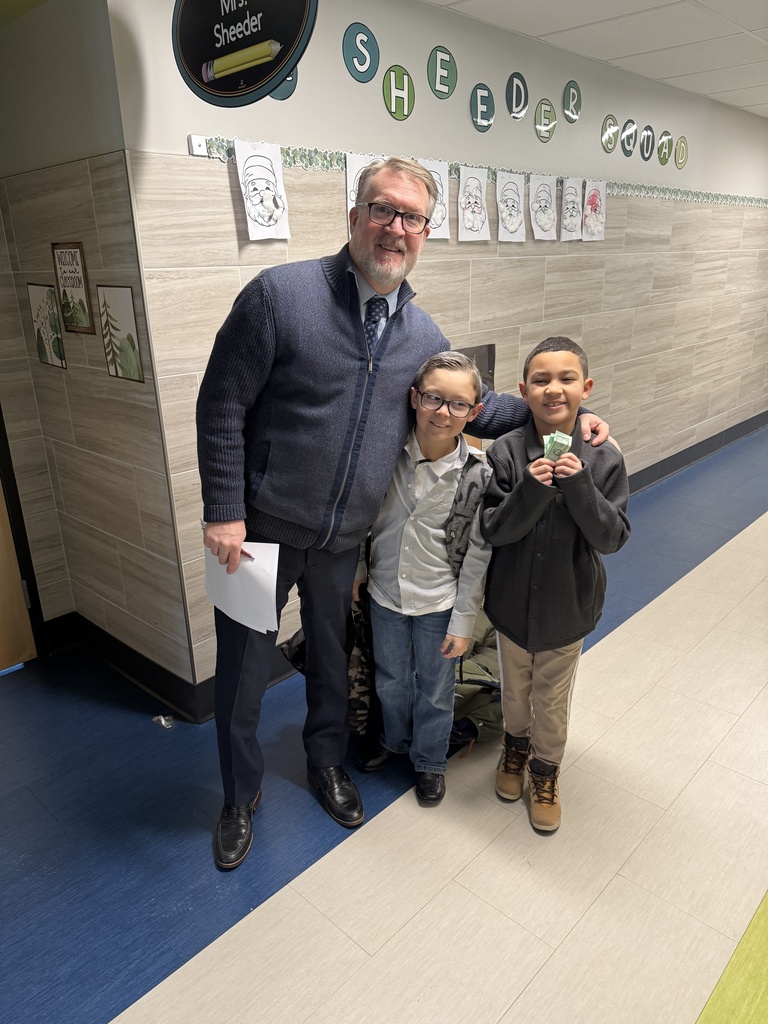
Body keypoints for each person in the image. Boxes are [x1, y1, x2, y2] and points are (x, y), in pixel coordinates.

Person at [196, 156, 611, 871]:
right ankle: (239, 797)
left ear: (424, 232)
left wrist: (566, 413)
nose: (396, 228)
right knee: (241, 670)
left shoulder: (420, 335)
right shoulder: (279, 297)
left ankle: (327, 765)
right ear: (355, 217)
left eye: (412, 217)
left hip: (341, 542)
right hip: (258, 530)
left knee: (331, 660)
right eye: (383, 210)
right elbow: (222, 401)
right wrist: (224, 509)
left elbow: (478, 407)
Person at [481, 337, 630, 832]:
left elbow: (611, 539)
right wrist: (531, 487)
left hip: (568, 606)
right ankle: (514, 750)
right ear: (523, 391)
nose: (553, 390)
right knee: (515, 691)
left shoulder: (604, 456)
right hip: (511, 603)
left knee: (550, 697)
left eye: (567, 379)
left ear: (585, 388)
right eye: (541, 380)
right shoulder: (505, 451)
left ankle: (545, 771)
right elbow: (496, 530)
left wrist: (579, 484)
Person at [353, 352, 491, 804]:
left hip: (440, 601)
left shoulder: (477, 475)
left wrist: (464, 620)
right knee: (391, 677)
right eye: (433, 398)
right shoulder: (384, 458)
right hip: (385, 593)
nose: (442, 412)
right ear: (415, 398)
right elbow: (359, 519)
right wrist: (359, 571)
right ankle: (394, 739)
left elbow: (477, 554)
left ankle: (430, 759)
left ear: (474, 413)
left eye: (457, 404)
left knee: (435, 687)